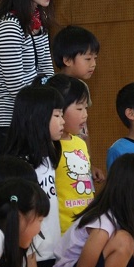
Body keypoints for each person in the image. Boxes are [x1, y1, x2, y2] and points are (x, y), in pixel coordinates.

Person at [0, 0, 61, 156]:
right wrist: (43, 82)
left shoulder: (39, 23)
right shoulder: (9, 26)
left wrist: (46, 83)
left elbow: (48, 73)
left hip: (35, 123)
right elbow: (17, 87)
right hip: (9, 127)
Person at [3, 84, 64, 267]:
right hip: (33, 259)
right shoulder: (20, 166)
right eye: (57, 115)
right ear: (37, 118)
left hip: (53, 251)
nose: (63, 121)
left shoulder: (49, 157)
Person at [52, 24, 105, 184]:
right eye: (88, 59)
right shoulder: (54, 88)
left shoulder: (82, 86)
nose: (93, 64)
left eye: (95, 58)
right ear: (67, 60)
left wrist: (88, 162)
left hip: (79, 155)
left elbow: (84, 130)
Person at [45, 75, 96, 234]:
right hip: (63, 231)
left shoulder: (80, 143)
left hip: (87, 226)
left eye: (86, 108)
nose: (85, 114)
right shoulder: (49, 147)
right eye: (79, 109)